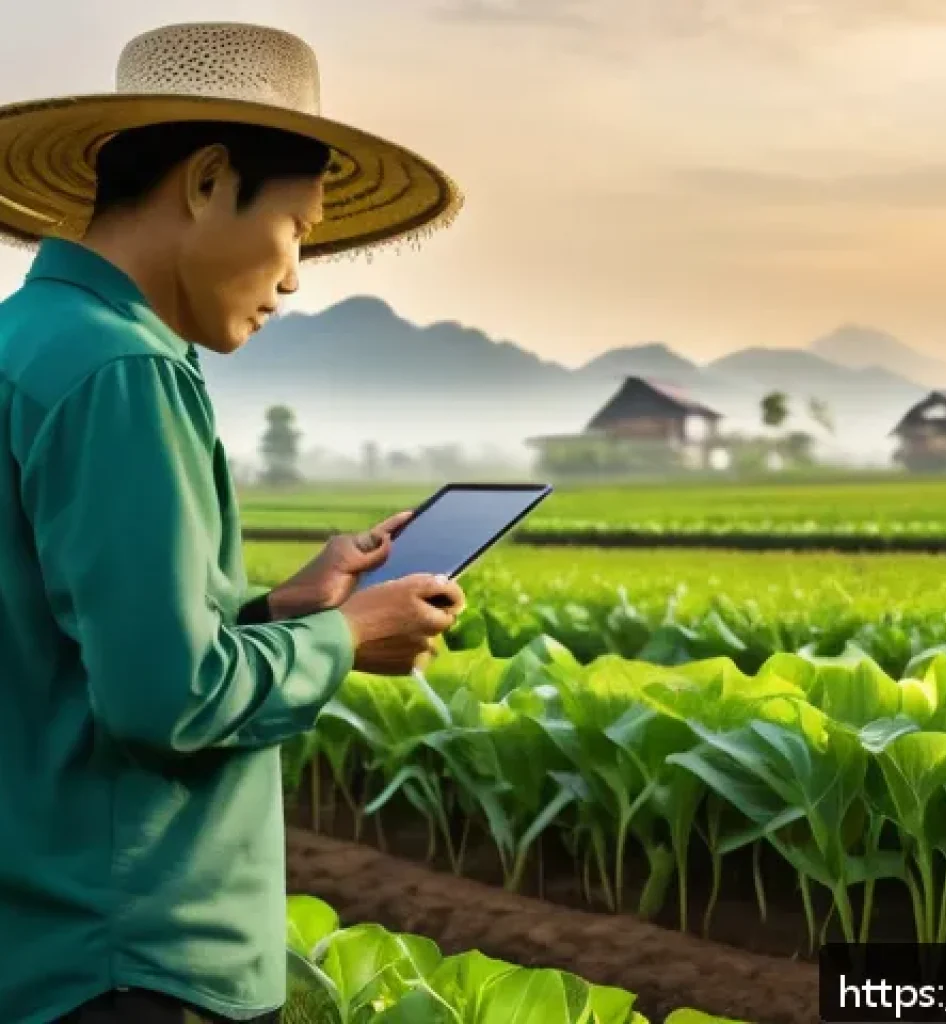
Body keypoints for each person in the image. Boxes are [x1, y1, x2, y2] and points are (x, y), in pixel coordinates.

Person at [0, 21, 466, 1024]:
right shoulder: (126, 372)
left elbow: (60, 654)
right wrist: (347, 634)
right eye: (298, 228)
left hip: (37, 939)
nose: (296, 278)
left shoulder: (24, 341)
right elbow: (165, 700)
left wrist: (281, 608)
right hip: (134, 955)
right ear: (208, 181)